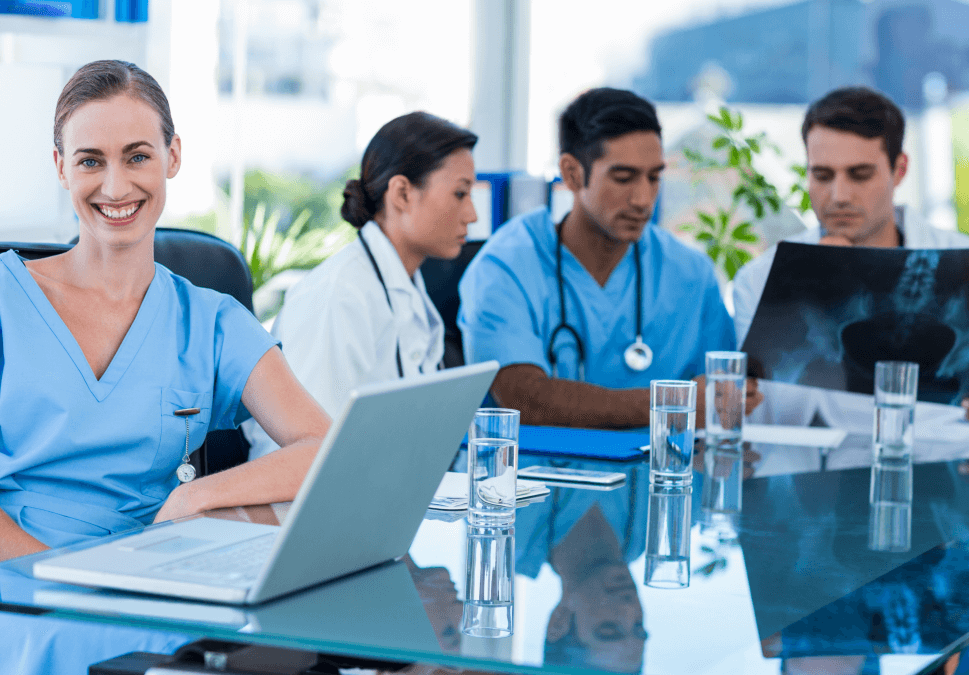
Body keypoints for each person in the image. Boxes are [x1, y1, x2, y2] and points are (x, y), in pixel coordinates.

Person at [0, 60, 331, 674]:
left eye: (138, 156)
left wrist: (197, 498)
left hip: (138, 570)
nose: (115, 186)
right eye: (91, 160)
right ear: (61, 167)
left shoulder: (210, 318)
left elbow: (322, 447)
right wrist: (74, 584)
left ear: (173, 156)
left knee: (273, 647)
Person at [458, 87, 754, 429]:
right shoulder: (506, 266)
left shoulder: (690, 272)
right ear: (572, 174)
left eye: (654, 177)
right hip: (535, 479)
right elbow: (524, 398)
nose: (644, 200)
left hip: (659, 478)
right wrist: (674, 403)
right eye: (623, 178)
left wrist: (737, 395)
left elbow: (721, 393)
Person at [732, 87, 969, 433]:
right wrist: (816, 281)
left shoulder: (962, 265)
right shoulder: (759, 278)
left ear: (899, 170)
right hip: (805, 475)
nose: (839, 196)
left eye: (860, 175)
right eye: (822, 176)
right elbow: (758, 417)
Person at [248, 112, 477, 456]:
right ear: (402, 193)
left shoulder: (406, 286)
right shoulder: (337, 295)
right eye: (460, 194)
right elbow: (305, 455)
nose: (472, 214)